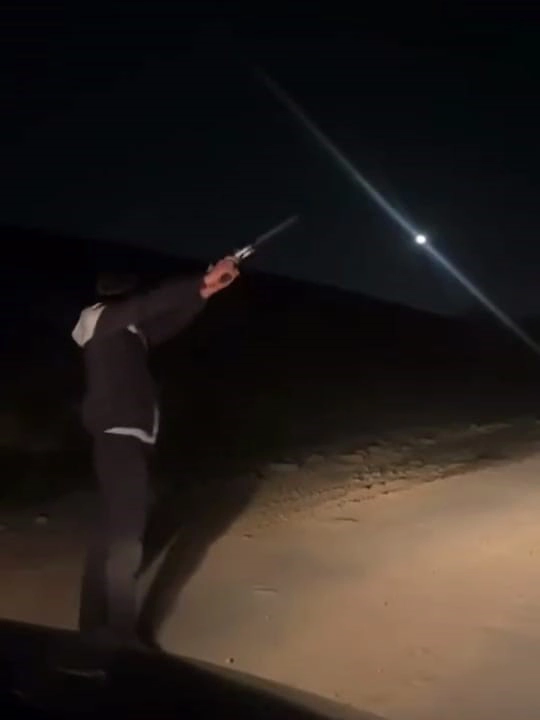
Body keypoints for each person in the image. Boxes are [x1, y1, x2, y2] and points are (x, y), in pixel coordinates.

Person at [71, 258, 240, 648]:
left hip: (126, 439)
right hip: (120, 438)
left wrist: (205, 291)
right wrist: (200, 279)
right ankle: (121, 634)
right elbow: (152, 304)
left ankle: (92, 625)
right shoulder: (100, 320)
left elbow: (168, 320)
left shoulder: (126, 332)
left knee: (111, 532)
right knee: (127, 539)